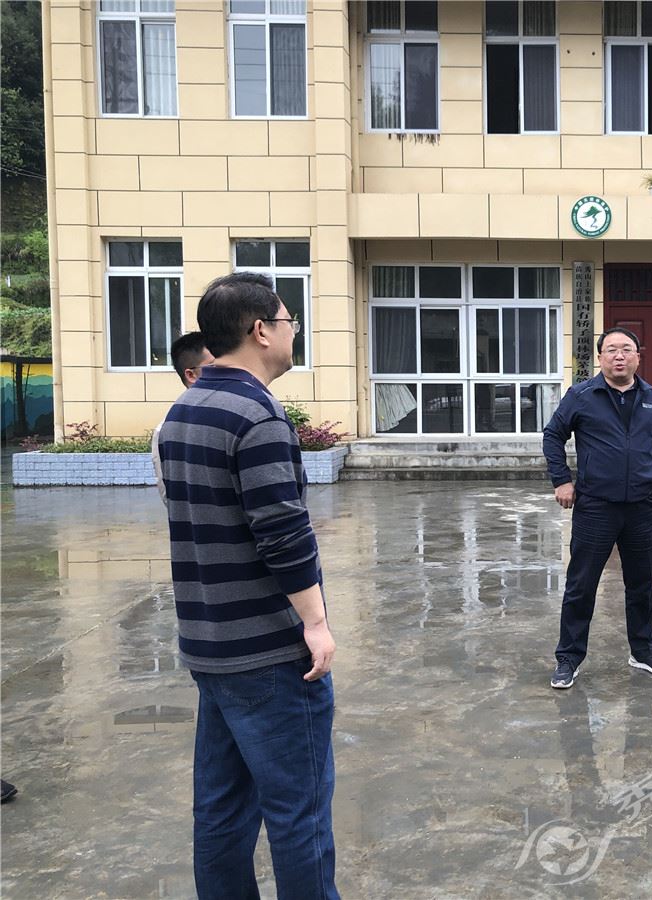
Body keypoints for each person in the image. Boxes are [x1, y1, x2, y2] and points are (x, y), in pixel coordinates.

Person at [159, 272, 338, 899]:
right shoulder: (256, 414)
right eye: (289, 321)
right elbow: (283, 535)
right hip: (268, 649)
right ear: (261, 331)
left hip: (210, 643)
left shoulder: (184, 409)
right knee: (299, 812)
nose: (293, 332)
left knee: (222, 809)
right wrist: (315, 623)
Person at [543, 326, 652, 690]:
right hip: (596, 506)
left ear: (637, 357)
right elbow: (553, 435)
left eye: (627, 349)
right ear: (600, 357)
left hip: (642, 507)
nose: (620, 356)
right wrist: (562, 480)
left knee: (641, 584)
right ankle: (569, 658)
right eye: (612, 349)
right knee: (581, 585)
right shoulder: (582, 395)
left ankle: (644, 651)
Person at [151, 331, 213, 504]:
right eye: (214, 366)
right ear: (191, 375)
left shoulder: (235, 416)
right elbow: (168, 494)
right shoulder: (166, 430)